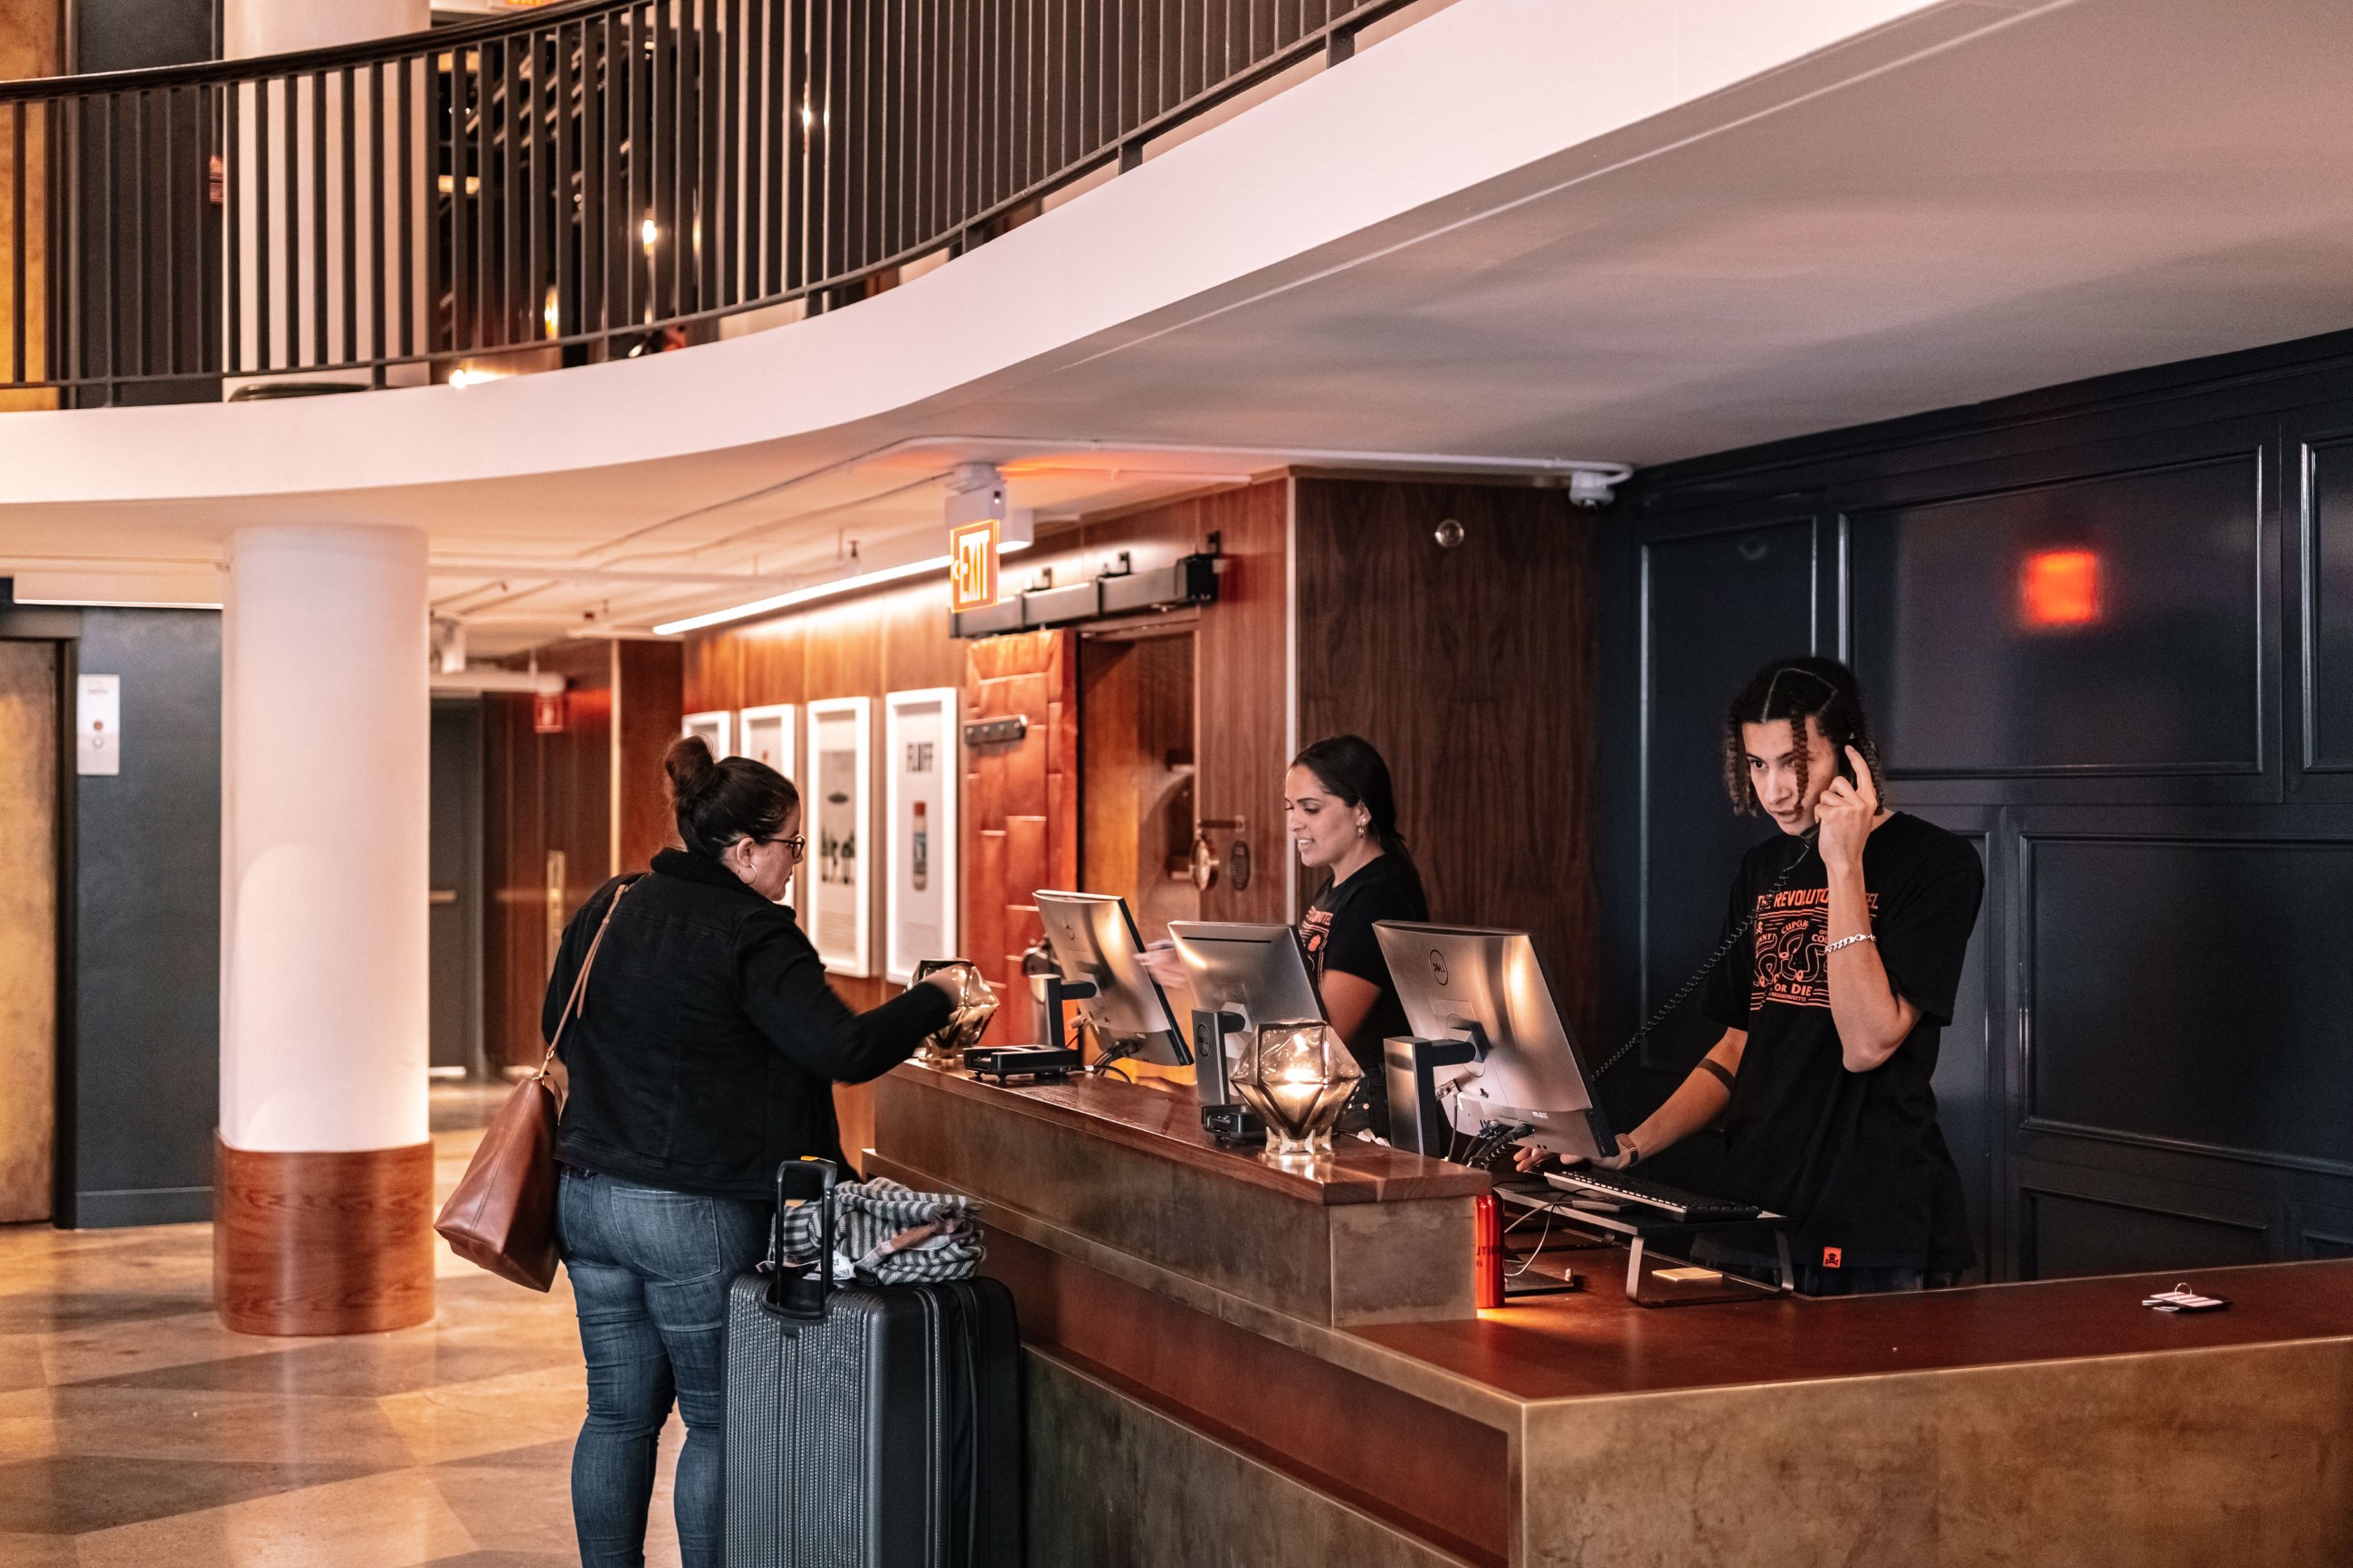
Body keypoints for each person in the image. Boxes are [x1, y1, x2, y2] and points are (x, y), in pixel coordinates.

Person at [548, 735, 963, 1568]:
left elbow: (558, 1018)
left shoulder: (615, 902)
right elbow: (842, 1049)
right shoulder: (752, 931)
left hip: (587, 1194)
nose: (795, 866)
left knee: (617, 1413)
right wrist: (938, 994)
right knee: (718, 1419)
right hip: (689, 1214)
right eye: (791, 848)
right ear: (743, 850)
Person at [1530, 658, 1982, 1296]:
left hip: (1869, 1220)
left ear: (1853, 757)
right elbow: (1739, 1045)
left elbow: (1867, 1042)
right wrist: (1629, 1146)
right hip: (1754, 1211)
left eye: (1795, 761)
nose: (1776, 790)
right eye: (1758, 764)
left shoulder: (1935, 864)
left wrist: (1844, 867)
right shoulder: (1763, 867)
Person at [1286, 736, 1428, 1129]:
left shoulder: (1379, 895)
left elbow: (1327, 1034)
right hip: (1340, 1099)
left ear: (1361, 811)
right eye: (1291, 807)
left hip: (1370, 1114)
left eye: (1310, 808)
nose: (1294, 821)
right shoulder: (1338, 887)